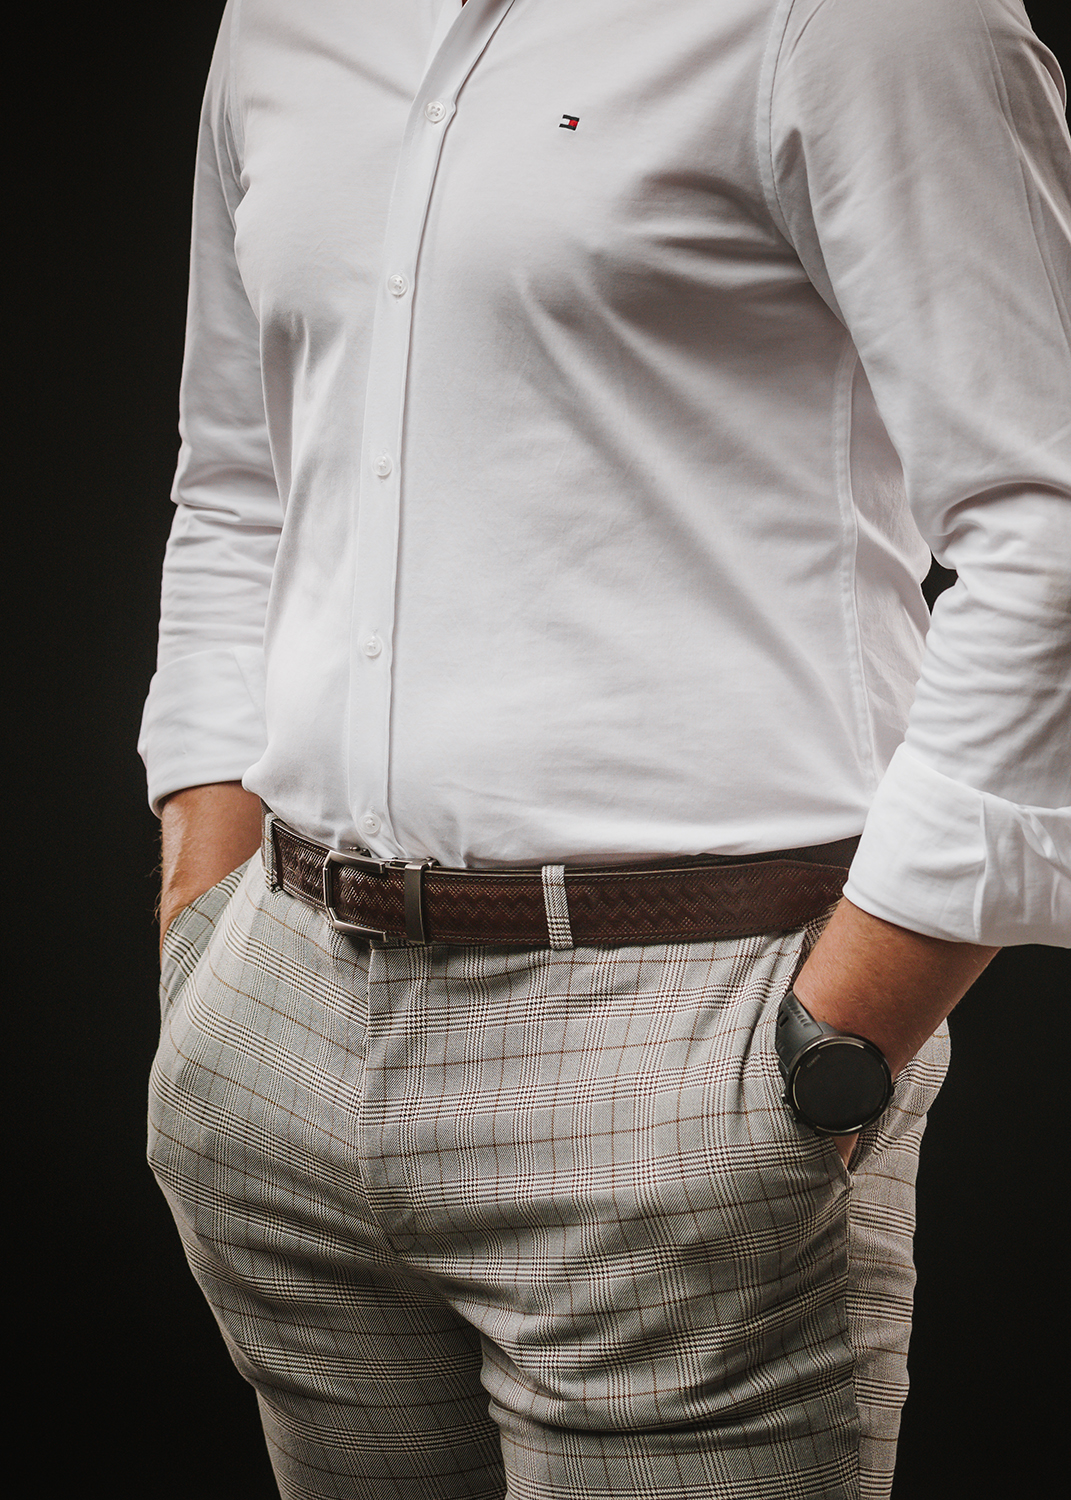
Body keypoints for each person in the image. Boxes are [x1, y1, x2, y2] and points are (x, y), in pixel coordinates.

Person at [140, 2, 1070, 1497]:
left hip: (693, 1038)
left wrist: (843, 1043)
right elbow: (241, 481)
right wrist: (204, 926)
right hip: (283, 1013)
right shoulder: (281, 21)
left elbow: (1050, 524)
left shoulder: (862, 19)